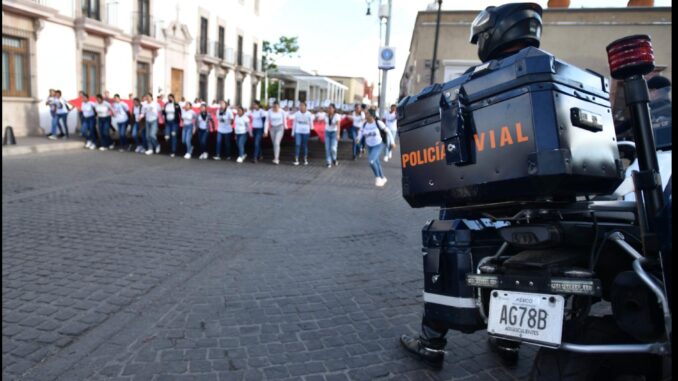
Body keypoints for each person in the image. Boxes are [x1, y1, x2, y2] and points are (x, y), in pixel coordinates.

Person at [399, 2, 543, 367]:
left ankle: (432, 342)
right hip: (541, 198)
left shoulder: (483, 76)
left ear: (494, 35)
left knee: (446, 249)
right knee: (522, 263)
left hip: (480, 194)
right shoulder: (549, 71)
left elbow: (429, 103)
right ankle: (509, 339)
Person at [356, 108, 394, 186]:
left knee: (371, 161)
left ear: (371, 115)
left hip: (379, 144)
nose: (365, 115)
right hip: (369, 146)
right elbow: (361, 132)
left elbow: (388, 131)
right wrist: (358, 138)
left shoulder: (378, 123)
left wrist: (392, 142)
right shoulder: (364, 124)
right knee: (376, 162)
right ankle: (383, 177)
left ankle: (378, 178)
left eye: (367, 114)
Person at [291, 101, 314, 166]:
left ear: (306, 107)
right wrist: (293, 132)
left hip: (306, 131)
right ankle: (296, 158)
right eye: (300, 106)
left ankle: (305, 158)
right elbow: (294, 123)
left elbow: (311, 123)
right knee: (297, 144)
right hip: (298, 130)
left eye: (303, 106)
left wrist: (311, 129)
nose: (301, 107)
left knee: (304, 145)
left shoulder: (309, 114)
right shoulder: (297, 114)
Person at [323, 103, 341, 168]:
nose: (329, 109)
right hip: (327, 132)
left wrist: (338, 134)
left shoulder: (337, 116)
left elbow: (338, 125)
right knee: (327, 148)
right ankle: (328, 161)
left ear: (334, 109)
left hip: (334, 132)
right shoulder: (325, 115)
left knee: (333, 148)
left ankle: (334, 158)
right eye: (328, 108)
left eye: (330, 108)